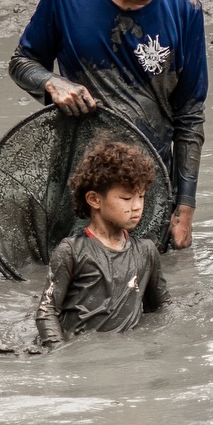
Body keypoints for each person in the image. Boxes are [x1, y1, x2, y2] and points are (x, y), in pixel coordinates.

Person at [9, 0, 207, 248]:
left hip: (148, 184)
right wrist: (53, 83)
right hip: (81, 177)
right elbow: (22, 62)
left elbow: (189, 116)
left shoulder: (185, 11)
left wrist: (184, 210)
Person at [35, 142, 170, 347]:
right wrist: (59, 355)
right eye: (126, 198)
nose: (137, 207)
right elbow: (47, 312)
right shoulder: (71, 251)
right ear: (94, 199)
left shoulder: (146, 252)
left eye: (141, 196)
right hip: (82, 355)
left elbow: (162, 308)